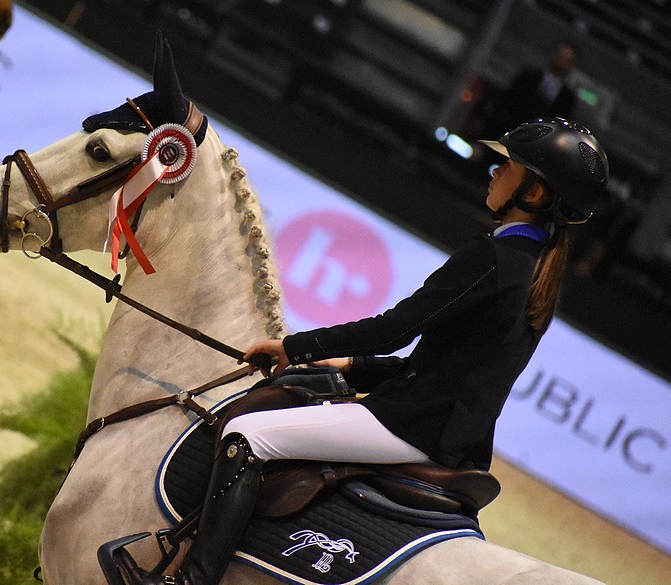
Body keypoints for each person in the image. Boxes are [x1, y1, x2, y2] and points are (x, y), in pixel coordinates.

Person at [129, 118, 608, 585]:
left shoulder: (491, 258)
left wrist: (295, 347)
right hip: (458, 440)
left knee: (247, 436)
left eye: (508, 168)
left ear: (535, 193)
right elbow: (447, 370)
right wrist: (352, 367)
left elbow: (394, 329)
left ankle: (194, 577)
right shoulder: (537, 271)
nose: (493, 171)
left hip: (413, 428)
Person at [481, 42, 579, 140]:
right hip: (508, 134)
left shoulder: (567, 98)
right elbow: (504, 105)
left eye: (567, 60)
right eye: (560, 56)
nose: (561, 61)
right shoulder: (528, 78)